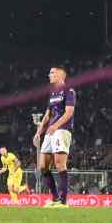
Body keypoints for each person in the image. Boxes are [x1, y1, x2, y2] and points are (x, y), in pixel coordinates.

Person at [33, 66, 76, 208]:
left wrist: (56, 126)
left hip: (62, 130)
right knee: (43, 166)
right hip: (50, 131)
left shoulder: (69, 91)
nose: (49, 75)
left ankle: (64, 202)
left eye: (52, 73)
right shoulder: (52, 94)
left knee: (59, 164)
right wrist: (38, 132)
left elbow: (69, 112)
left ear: (60, 75)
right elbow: (47, 115)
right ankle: (55, 198)